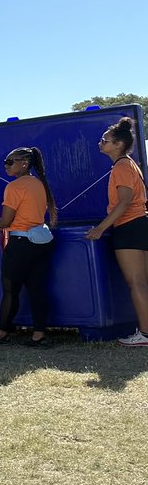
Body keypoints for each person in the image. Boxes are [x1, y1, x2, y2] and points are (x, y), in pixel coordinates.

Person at [84, 117, 148, 346]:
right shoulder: (130, 164)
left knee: (137, 283)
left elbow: (124, 202)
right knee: (143, 282)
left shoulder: (121, 166)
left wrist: (100, 229)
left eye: (105, 140)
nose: (101, 143)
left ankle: (145, 334)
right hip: (141, 223)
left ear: (118, 144)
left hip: (129, 227)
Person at [0, 147, 57, 347]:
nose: (6, 165)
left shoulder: (14, 187)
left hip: (20, 243)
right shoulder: (39, 184)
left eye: (10, 162)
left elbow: (6, 221)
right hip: (42, 241)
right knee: (37, 289)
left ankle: (1, 334)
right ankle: (39, 335)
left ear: (24, 163)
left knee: (10, 291)